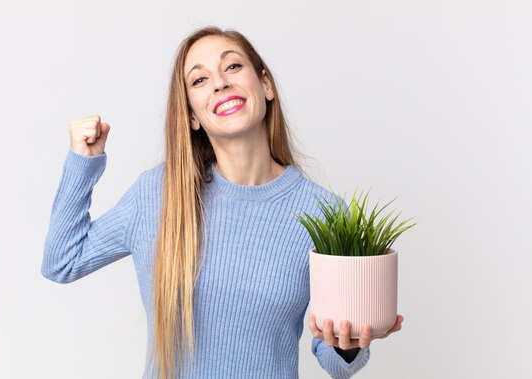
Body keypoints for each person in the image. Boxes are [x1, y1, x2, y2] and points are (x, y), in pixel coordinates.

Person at [41, 25, 403, 379]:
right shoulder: (158, 194)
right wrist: (82, 163)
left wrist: (349, 345)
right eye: (199, 80)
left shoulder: (323, 213)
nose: (219, 82)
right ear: (193, 116)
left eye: (232, 66)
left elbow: (335, 361)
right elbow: (62, 261)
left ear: (266, 85)